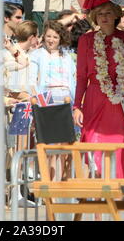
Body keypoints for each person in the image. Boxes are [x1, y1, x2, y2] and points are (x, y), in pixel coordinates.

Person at [73, 0, 124, 179]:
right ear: (95, 17)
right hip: (95, 98)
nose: (104, 17)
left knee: (122, 146)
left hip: (121, 103)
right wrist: (77, 106)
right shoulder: (86, 40)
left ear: (116, 15)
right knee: (95, 146)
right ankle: (98, 192)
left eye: (108, 13)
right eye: (100, 13)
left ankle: (120, 191)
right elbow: (81, 77)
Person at [29, 20, 76, 179]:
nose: (51, 40)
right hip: (46, 100)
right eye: (48, 36)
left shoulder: (67, 57)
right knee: (49, 144)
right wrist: (37, 101)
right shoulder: (36, 55)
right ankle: (48, 181)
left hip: (65, 99)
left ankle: (61, 182)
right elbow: (31, 81)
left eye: (55, 37)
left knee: (64, 145)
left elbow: (72, 80)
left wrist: (73, 103)